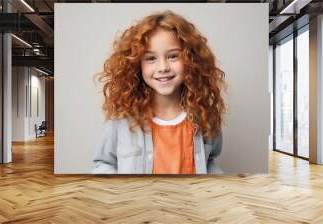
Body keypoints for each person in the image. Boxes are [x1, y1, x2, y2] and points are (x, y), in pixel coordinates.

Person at [93, 10, 226, 174]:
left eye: (173, 56)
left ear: (191, 60)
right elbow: (104, 163)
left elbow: (210, 161)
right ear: (137, 65)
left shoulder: (205, 115)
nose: (163, 67)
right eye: (150, 58)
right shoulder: (122, 119)